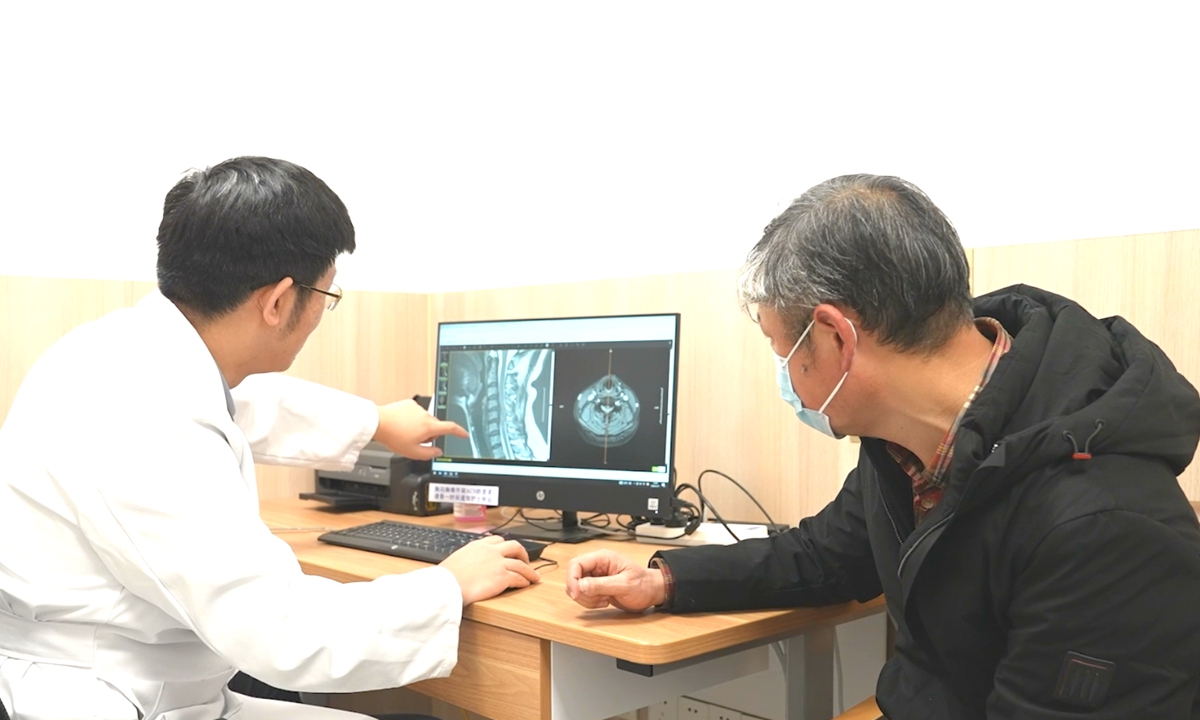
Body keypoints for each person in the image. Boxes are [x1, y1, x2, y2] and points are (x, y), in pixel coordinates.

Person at [565, 174, 1200, 719]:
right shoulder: (906, 444)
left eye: (780, 350)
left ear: (837, 338)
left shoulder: (1102, 528)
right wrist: (662, 579)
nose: (784, 375)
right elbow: (824, 555)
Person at [0, 157, 541, 720]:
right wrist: (447, 587)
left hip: (159, 683)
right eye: (327, 297)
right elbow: (285, 632)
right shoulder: (145, 410)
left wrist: (376, 421)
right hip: (113, 697)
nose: (320, 315)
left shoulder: (127, 352)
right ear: (280, 301)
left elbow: (245, 407)